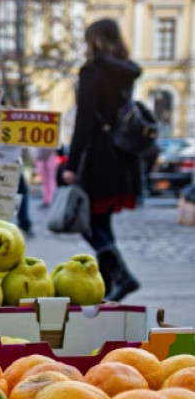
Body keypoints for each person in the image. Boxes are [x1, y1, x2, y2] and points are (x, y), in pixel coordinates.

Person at [62, 18, 141, 302]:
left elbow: (83, 122)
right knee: (101, 221)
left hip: (97, 155)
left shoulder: (92, 72)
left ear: (94, 40)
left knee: (85, 222)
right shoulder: (126, 71)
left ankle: (121, 274)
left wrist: (71, 166)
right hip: (121, 155)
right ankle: (107, 287)